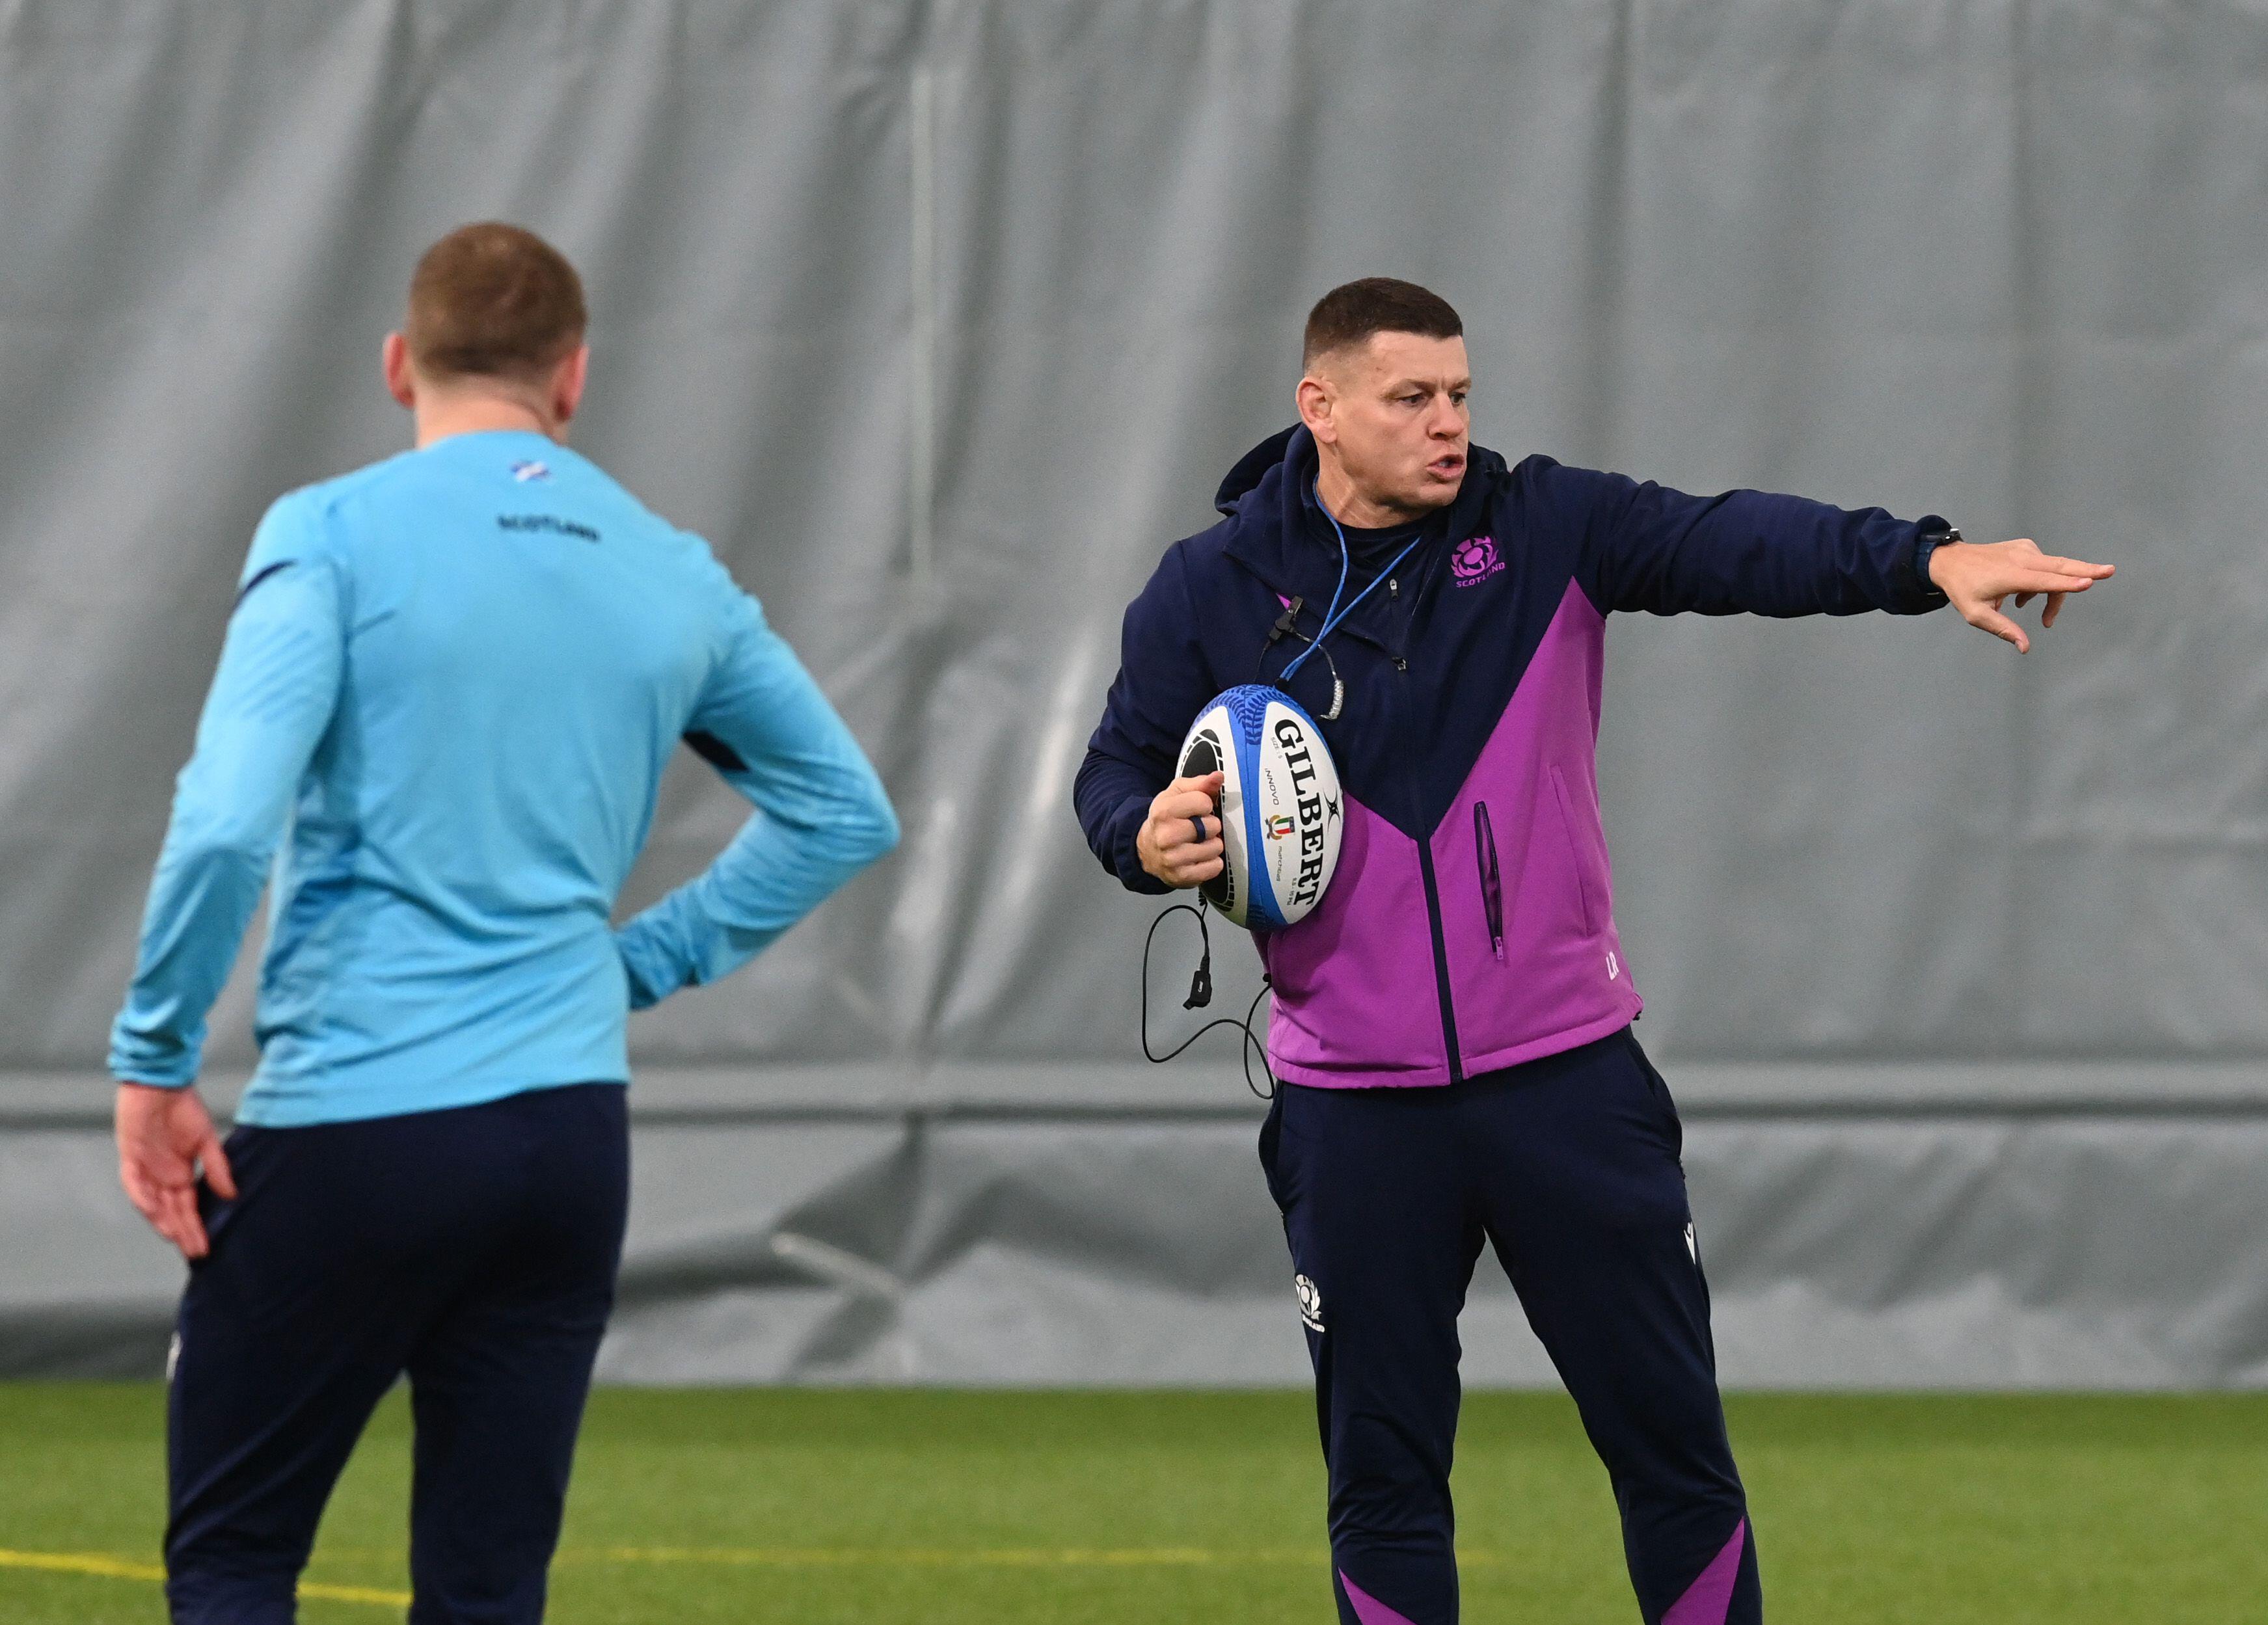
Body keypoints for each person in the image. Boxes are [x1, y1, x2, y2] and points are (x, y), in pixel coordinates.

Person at [1073, 277, 2114, 1625]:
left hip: (1564, 1084)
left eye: (1459, 396)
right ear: (1318, 409)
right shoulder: (1205, 589)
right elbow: (1115, 770)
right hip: (1350, 1107)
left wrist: (1926, 561)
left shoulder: (1543, 526)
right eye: (1412, 398)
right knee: (1382, 1485)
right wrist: (1139, 833)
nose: (1449, 424)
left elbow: (1733, 542)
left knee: (1672, 1461)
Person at [108, 222, 899, 1624]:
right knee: (486, 1591)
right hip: (566, 1144)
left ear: (400, 363)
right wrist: (635, 965)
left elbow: (229, 819)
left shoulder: (330, 533)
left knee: (233, 1560)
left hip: (358, 1124)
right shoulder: (670, 570)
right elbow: (844, 812)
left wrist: (155, 1057)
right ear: (572, 377)